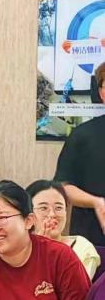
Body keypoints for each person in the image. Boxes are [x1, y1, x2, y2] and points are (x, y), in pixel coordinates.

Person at [54, 61, 105, 246]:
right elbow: (63, 187)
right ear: (101, 93)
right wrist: (97, 202)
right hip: (91, 241)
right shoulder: (82, 134)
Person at [26, 179, 101, 280]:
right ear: (28, 215)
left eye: (58, 208)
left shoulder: (81, 247)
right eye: (43, 208)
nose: (52, 214)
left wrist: (47, 253)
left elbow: (76, 287)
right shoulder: (16, 247)